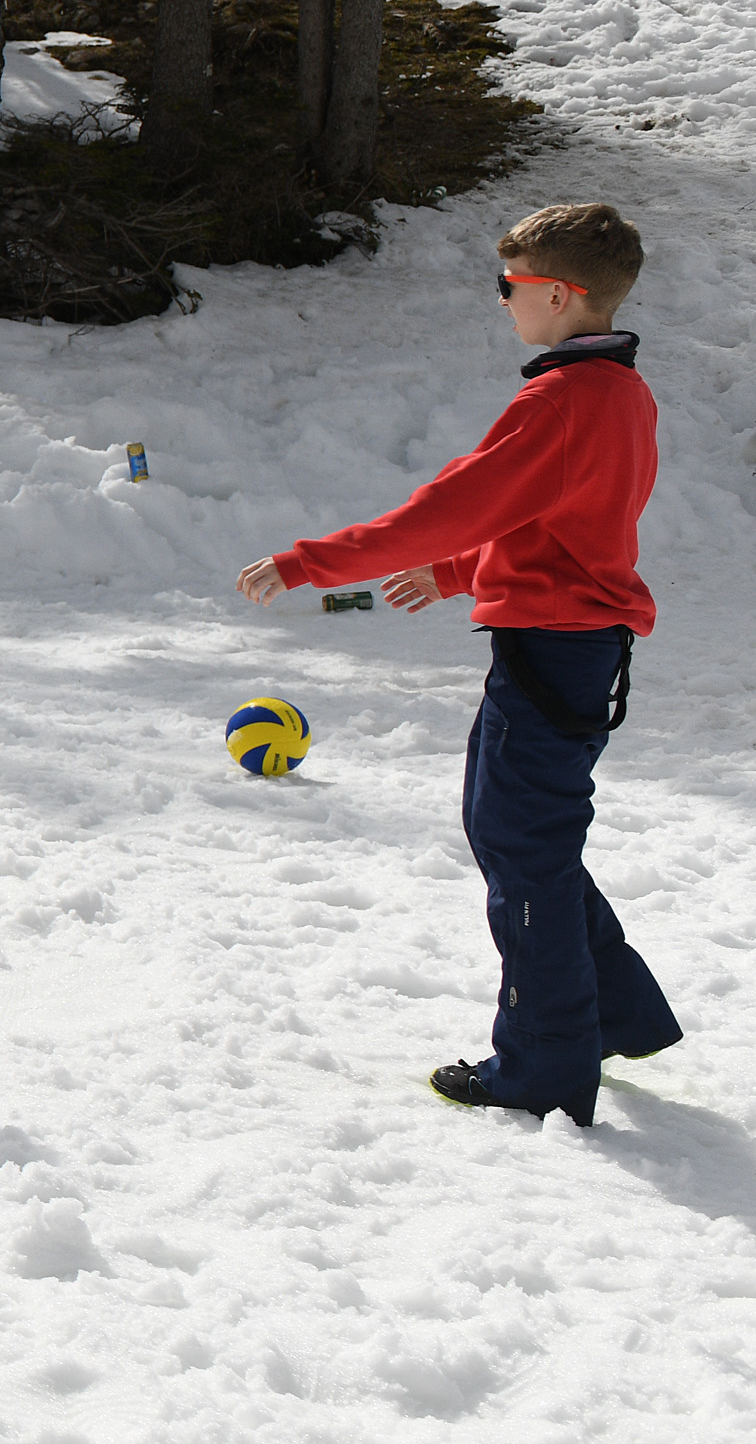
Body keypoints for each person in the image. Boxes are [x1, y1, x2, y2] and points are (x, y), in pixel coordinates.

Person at [236, 202, 673, 1129]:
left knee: (521, 847)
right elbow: (566, 527)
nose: (504, 301)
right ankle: (616, 1011)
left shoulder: (559, 400)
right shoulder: (622, 391)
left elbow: (449, 506)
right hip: (567, 642)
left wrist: (311, 561)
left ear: (560, 294)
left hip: (554, 650)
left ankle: (545, 1066)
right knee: (523, 838)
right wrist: (456, 575)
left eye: (508, 285)